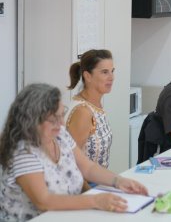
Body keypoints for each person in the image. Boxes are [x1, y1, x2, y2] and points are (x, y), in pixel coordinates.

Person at [0, 83, 148, 221]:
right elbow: (44, 201)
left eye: (61, 114)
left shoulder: (60, 135)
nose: (61, 124)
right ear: (31, 120)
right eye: (53, 119)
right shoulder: (22, 152)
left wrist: (118, 181)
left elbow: (87, 167)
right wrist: (96, 200)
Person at [66, 49, 114, 169]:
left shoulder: (95, 104)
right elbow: (70, 163)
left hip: (99, 181)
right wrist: (91, 188)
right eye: (104, 72)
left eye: (112, 71)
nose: (111, 77)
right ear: (87, 76)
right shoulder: (82, 112)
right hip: (86, 185)